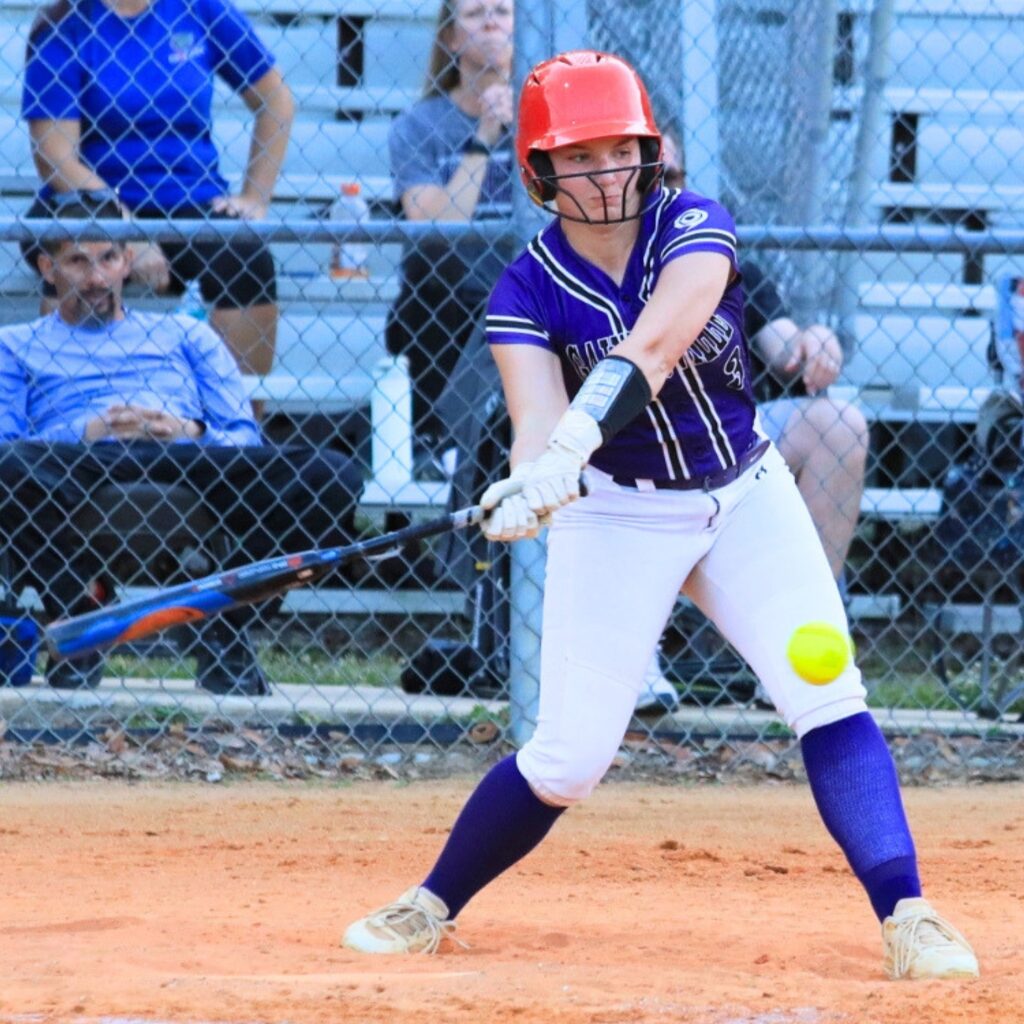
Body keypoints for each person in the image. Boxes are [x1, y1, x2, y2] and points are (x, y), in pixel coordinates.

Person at [342, 51, 979, 980]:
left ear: (650, 154)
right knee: (566, 760)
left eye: (620, 151)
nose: (605, 174)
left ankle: (908, 911)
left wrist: (570, 442)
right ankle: (431, 900)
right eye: (579, 155)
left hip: (744, 496)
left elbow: (657, 340)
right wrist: (533, 484)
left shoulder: (693, 226)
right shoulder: (524, 289)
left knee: (827, 693)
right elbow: (535, 423)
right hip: (618, 519)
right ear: (541, 170)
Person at [0, 196, 361, 695]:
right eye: (78, 261)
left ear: (128, 261)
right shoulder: (15, 342)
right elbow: (7, 442)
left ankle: (226, 625)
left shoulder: (185, 332)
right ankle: (80, 617)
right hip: (79, 459)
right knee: (8, 466)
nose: (97, 278)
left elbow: (242, 434)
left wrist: (187, 430)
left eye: (108, 258)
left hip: (185, 454)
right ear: (47, 267)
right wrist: (88, 432)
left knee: (332, 474)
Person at [20, 0, 294, 391]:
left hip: (190, 202)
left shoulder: (199, 9)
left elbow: (276, 100)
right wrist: (127, 233)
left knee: (247, 257)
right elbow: (55, 158)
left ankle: (236, 433)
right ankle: (69, 416)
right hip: (89, 200)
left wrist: (255, 196)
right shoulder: (67, 24)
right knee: (78, 251)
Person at [385, 0, 517, 470]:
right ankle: (443, 439)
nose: (489, 22)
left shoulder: (544, 117)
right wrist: (484, 134)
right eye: (475, 12)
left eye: (502, 11)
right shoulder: (418, 125)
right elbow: (435, 222)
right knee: (433, 260)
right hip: (451, 295)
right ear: (451, 38)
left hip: (526, 282)